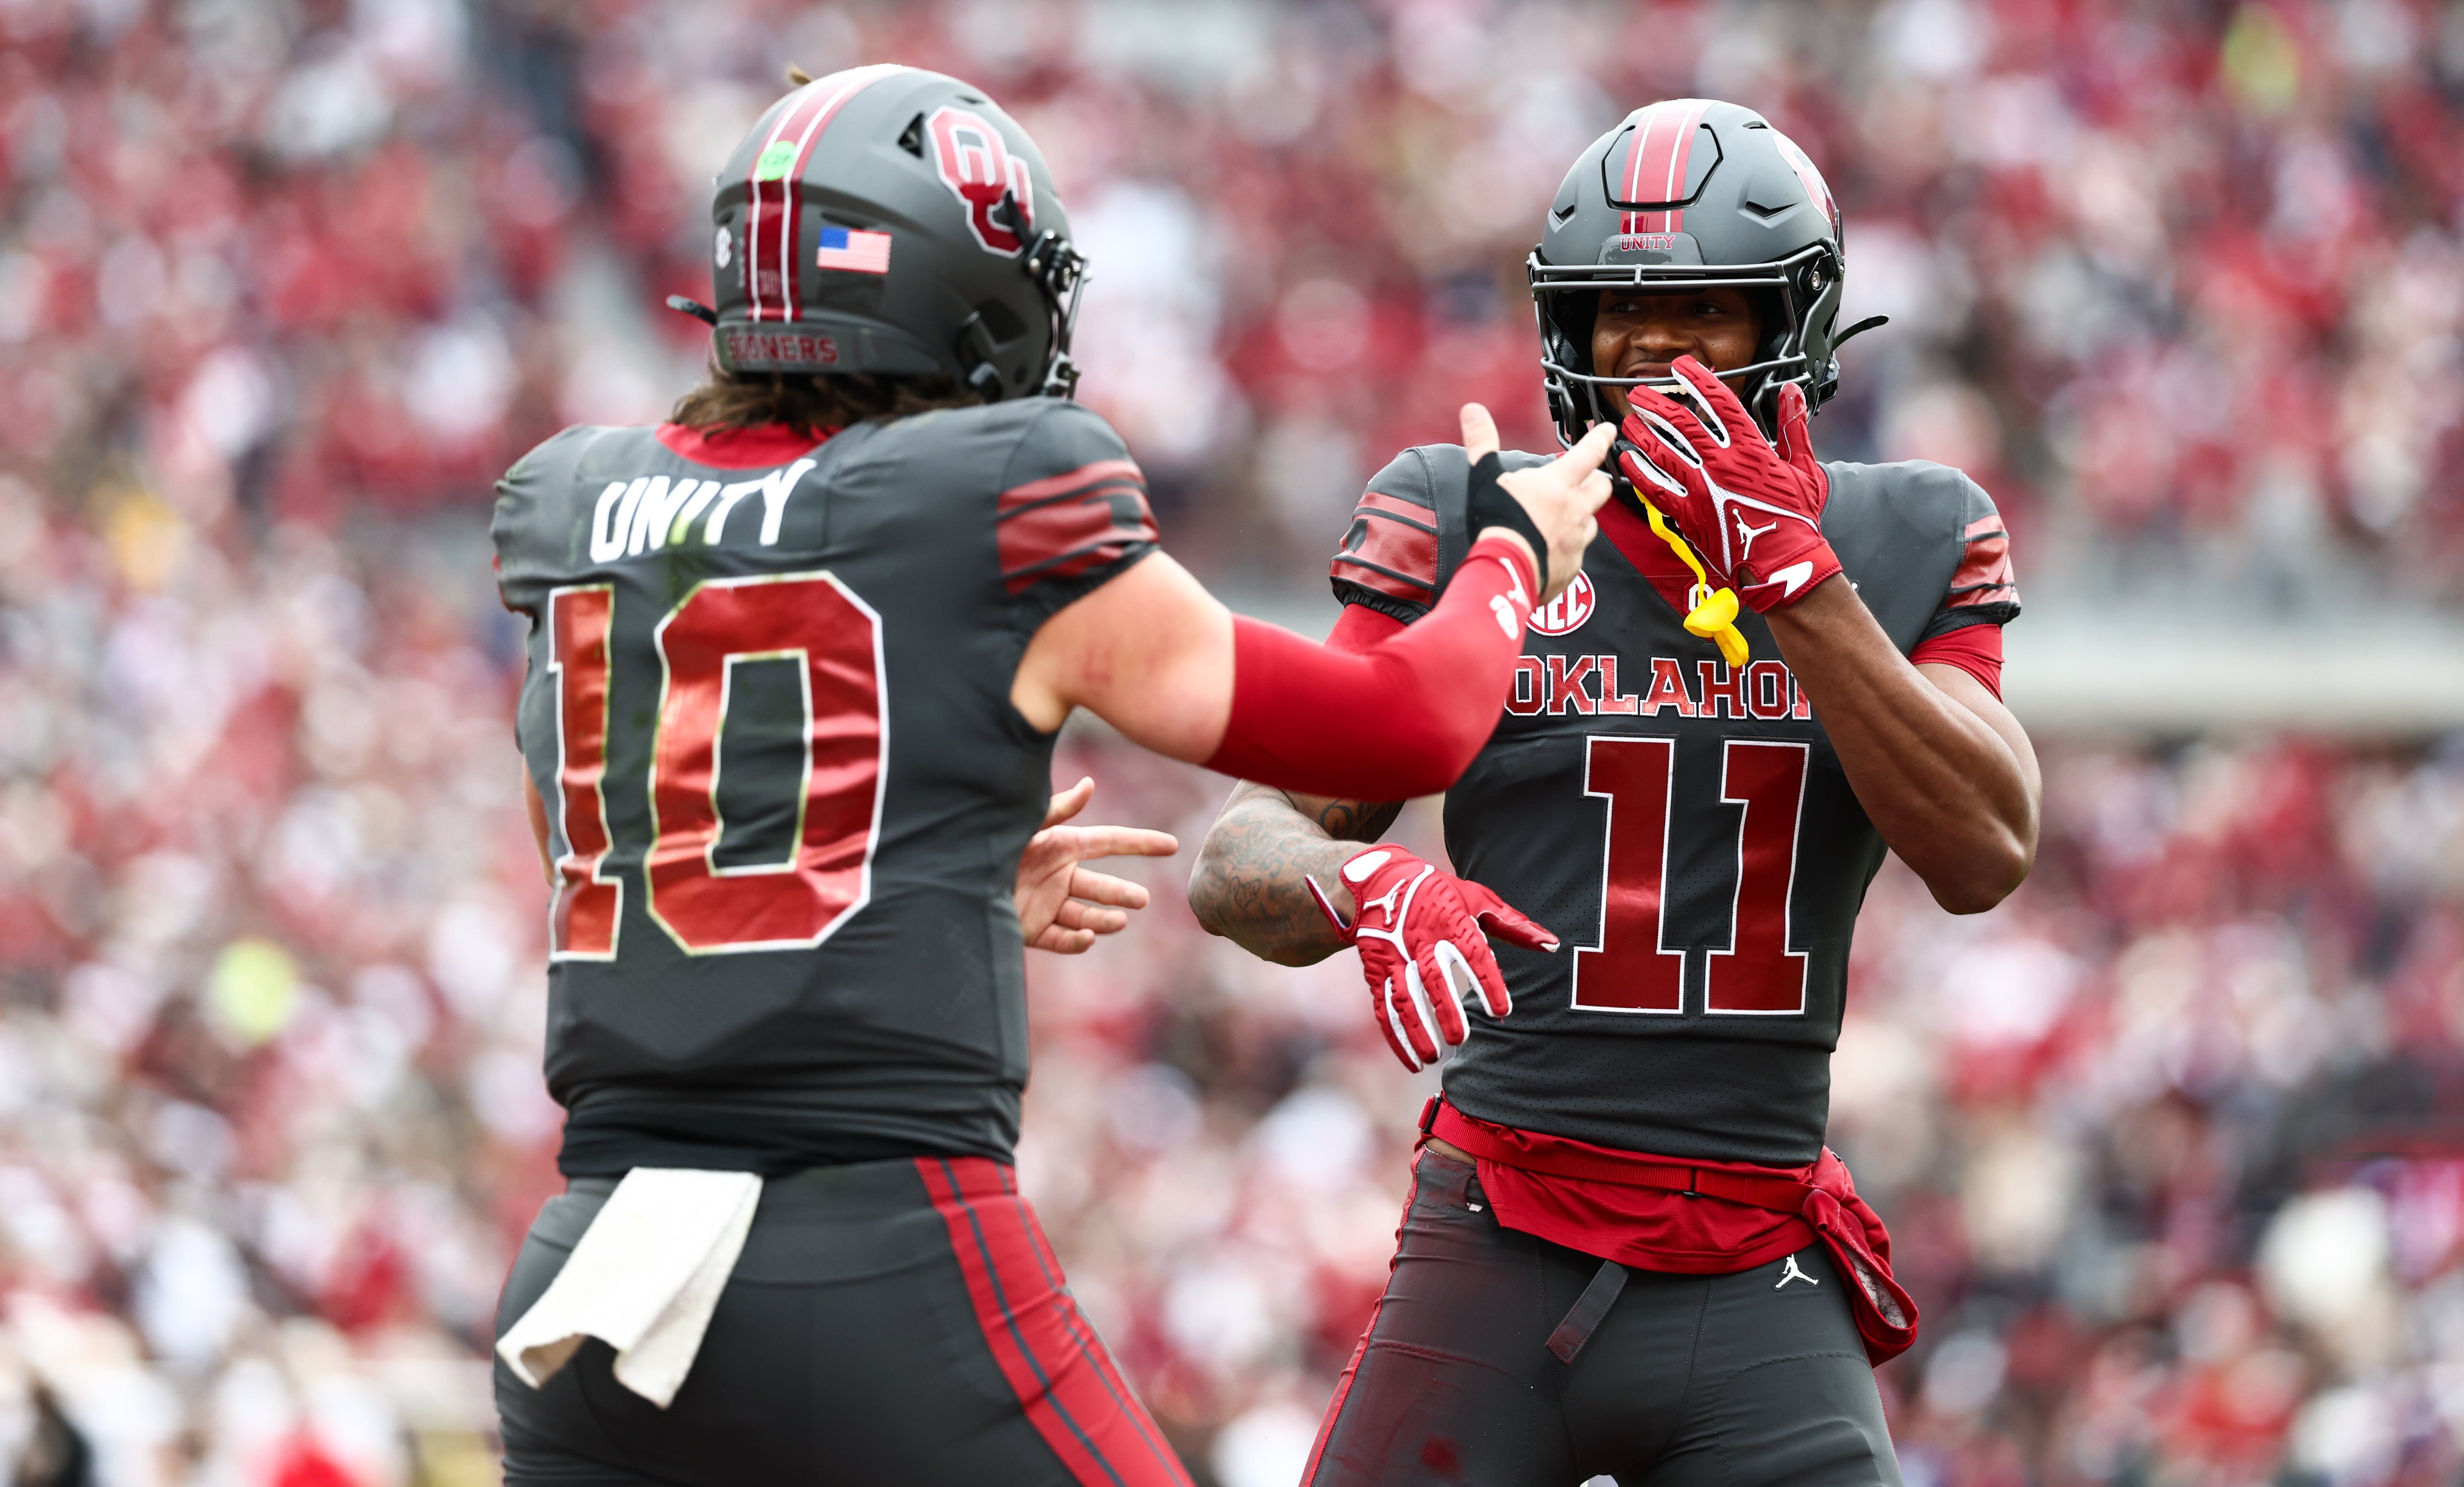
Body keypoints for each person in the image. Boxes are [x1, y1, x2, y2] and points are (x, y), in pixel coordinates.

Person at [485, 64, 1616, 1487]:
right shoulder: (995, 488)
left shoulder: (575, 498)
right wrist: (1511, 552)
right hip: (871, 1256)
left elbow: (634, 866)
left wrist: (907, 875)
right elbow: (1395, 729)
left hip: (593, 1275)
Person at [1188, 97, 2039, 1487]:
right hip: (1500, 1236)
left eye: (1703, 308)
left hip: (1758, 1264)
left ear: (1794, 321)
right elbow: (1240, 853)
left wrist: (1796, 580)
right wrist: (1362, 882)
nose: (1652, 345)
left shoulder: (1907, 530)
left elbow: (1985, 850)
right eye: (1618, 308)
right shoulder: (1475, 515)